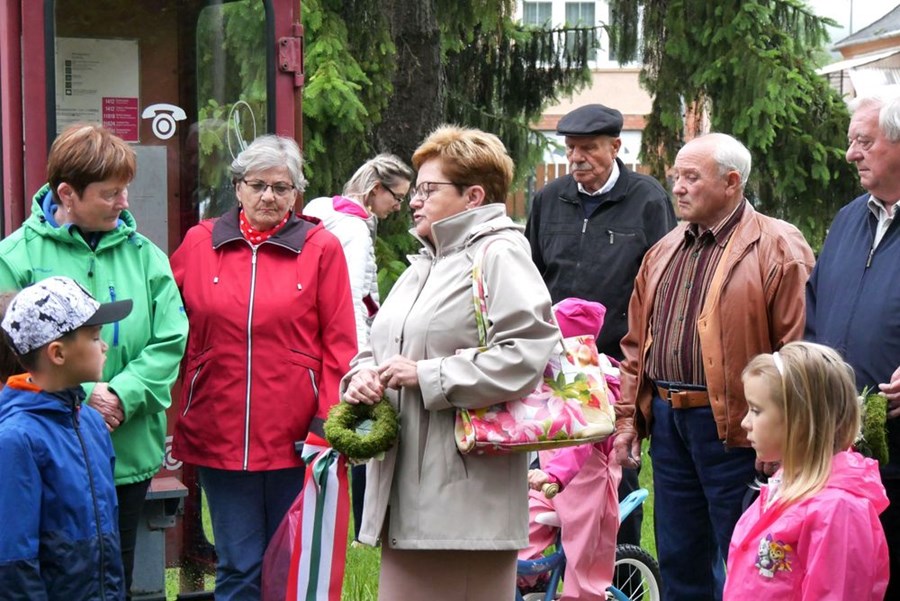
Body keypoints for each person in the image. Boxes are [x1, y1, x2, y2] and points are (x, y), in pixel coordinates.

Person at [341, 125, 559, 601]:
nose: (414, 201)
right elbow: (379, 348)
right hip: (409, 495)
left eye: (428, 190)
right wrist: (361, 377)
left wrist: (426, 375)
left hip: (466, 502)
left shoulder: (499, 254)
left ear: (473, 196)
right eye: (415, 191)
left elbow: (528, 352)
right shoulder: (425, 264)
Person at [613, 132, 815, 600]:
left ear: (731, 182)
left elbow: (798, 351)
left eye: (691, 177)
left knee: (753, 559)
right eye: (676, 176)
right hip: (669, 424)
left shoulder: (778, 246)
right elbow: (635, 346)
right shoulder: (663, 250)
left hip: (740, 431)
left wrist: (782, 435)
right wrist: (628, 421)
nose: (677, 187)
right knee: (680, 559)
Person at [0, 123, 189, 600]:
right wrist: (84, 398)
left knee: (110, 573)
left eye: (125, 189)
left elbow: (171, 336)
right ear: (67, 193)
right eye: (110, 193)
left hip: (125, 451)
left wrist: (122, 395)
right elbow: (9, 350)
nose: (124, 202)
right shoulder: (14, 256)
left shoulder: (146, 256)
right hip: (47, 452)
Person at [170, 134, 357, 601]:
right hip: (219, 430)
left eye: (281, 187)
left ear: (296, 194)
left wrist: (327, 422)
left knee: (289, 564)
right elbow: (167, 324)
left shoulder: (321, 248)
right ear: (238, 188)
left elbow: (340, 344)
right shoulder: (199, 243)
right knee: (239, 566)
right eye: (258, 185)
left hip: (295, 438)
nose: (268, 196)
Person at [525, 103, 677, 546]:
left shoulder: (648, 200)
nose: (577, 158)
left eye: (588, 148)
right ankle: (549, 573)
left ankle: (620, 572)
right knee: (547, 475)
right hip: (554, 367)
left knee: (614, 476)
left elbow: (663, 285)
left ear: (615, 146)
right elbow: (531, 276)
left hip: (615, 368)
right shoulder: (549, 199)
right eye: (571, 148)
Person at [805, 91, 900, 598]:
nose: (850, 154)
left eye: (863, 141)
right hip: (840, 453)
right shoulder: (848, 220)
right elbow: (814, 314)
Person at [0, 276, 134, 599]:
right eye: (95, 337)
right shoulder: (16, 440)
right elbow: (13, 563)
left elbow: (107, 537)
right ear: (58, 353)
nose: (105, 346)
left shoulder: (91, 424)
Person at [303, 155, 414, 542]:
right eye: (396, 197)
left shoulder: (324, 211)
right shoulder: (353, 230)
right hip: (347, 344)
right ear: (375, 189)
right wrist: (362, 357)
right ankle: (361, 524)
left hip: (316, 338)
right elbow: (349, 296)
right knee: (362, 426)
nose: (398, 207)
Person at [724, 341, 889, 599]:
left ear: (799, 420)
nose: (745, 422)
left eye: (755, 410)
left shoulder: (838, 510)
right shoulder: (784, 483)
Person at [518, 298, 623, 600]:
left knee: (584, 565)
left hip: (586, 490)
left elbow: (582, 440)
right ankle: (533, 583)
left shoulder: (598, 388)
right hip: (550, 484)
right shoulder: (558, 379)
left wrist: (553, 474)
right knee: (518, 536)